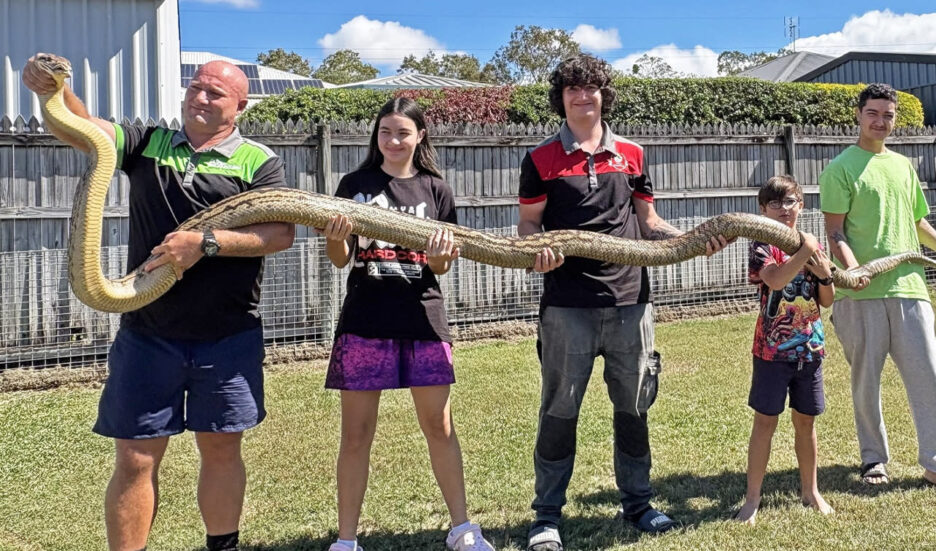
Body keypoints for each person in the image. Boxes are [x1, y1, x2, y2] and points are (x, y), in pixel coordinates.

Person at [22, 54, 295, 550]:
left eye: (214, 92)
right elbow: (85, 130)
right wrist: (51, 93)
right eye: (195, 87)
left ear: (240, 106)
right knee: (136, 458)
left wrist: (205, 243)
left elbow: (279, 234)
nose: (200, 97)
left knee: (221, 450)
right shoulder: (150, 142)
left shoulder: (259, 161)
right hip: (148, 332)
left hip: (227, 333)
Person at [517, 54, 728, 551]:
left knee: (634, 407)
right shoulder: (540, 158)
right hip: (567, 305)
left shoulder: (632, 153)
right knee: (559, 409)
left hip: (632, 301)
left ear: (603, 95)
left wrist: (693, 241)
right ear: (561, 98)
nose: (582, 96)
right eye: (572, 89)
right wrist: (535, 249)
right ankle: (546, 516)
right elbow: (529, 225)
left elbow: (649, 223)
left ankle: (638, 504)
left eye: (590, 88)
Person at [320, 97, 494, 551]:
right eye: (385, 132)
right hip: (365, 321)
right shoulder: (354, 185)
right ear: (376, 136)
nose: (393, 141)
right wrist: (335, 238)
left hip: (423, 321)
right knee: (356, 435)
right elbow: (341, 259)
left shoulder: (436, 190)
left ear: (420, 137)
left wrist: (439, 256)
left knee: (439, 426)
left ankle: (462, 529)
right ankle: (346, 540)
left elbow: (441, 268)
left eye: (402, 132)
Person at [820, 83, 936, 500]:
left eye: (888, 115)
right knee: (866, 382)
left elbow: (918, 224)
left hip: (911, 288)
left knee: (928, 378)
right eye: (873, 113)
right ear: (858, 115)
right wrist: (853, 269)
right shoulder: (840, 168)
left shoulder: (902, 166)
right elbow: (835, 231)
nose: (880, 121)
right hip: (859, 295)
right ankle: (873, 458)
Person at [734, 175, 835, 525]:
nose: (783, 209)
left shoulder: (812, 246)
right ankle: (752, 499)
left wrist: (824, 275)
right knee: (765, 421)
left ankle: (811, 492)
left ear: (801, 206)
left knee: (806, 422)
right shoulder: (761, 245)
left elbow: (827, 299)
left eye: (789, 201)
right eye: (774, 203)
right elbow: (776, 280)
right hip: (771, 351)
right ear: (763, 210)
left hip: (810, 348)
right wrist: (806, 251)